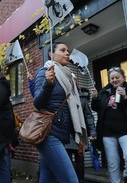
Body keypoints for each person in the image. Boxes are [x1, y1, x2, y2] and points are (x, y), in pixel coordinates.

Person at [33, 42, 87, 183]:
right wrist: (47, 83)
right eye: (62, 50)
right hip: (49, 133)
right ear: (51, 53)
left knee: (47, 178)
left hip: (60, 133)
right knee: (71, 180)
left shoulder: (68, 76)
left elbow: (71, 109)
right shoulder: (44, 72)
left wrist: (78, 136)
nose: (67, 53)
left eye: (68, 50)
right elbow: (37, 103)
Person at [91, 67, 127, 183]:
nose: (114, 80)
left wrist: (125, 97)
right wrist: (94, 98)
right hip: (107, 134)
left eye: (117, 77)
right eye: (112, 78)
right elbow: (95, 107)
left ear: (123, 78)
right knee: (112, 164)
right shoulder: (104, 92)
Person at [65, 84, 97, 183]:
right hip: (66, 134)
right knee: (67, 161)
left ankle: (80, 180)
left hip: (80, 134)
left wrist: (92, 132)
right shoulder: (62, 95)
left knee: (80, 161)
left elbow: (89, 116)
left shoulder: (82, 98)